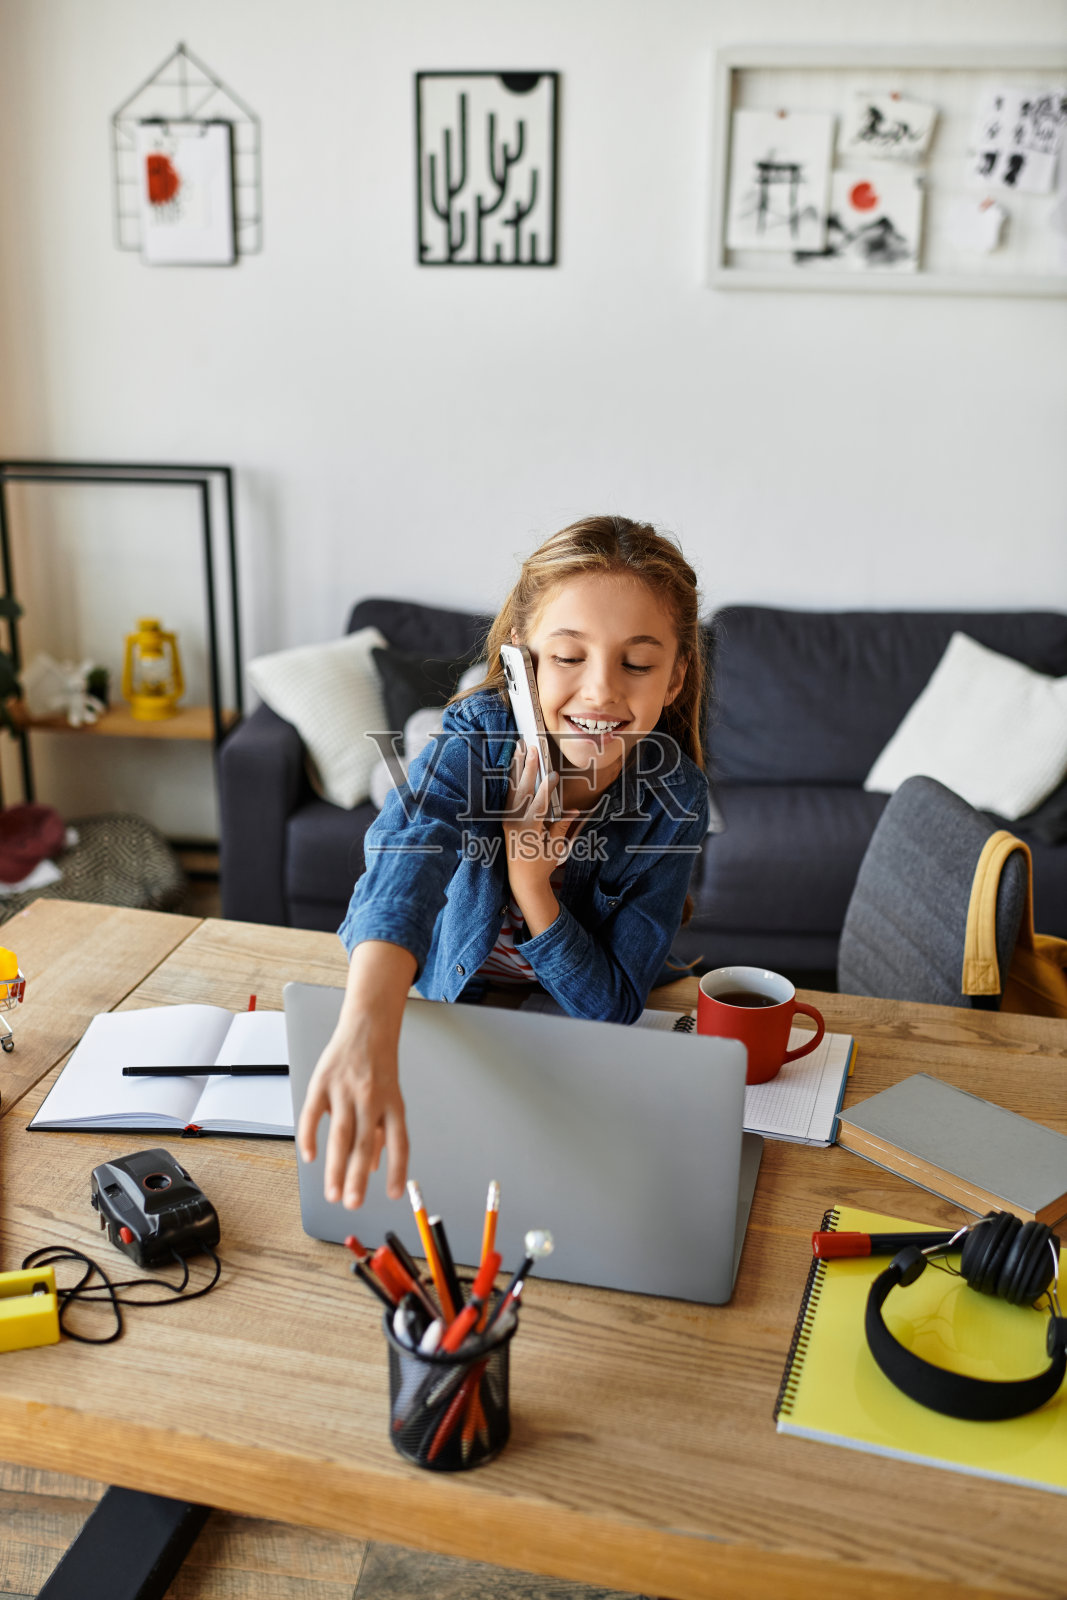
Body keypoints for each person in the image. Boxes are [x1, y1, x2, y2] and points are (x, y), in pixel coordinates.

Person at [297, 515, 710, 1208]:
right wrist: (367, 1023)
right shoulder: (479, 736)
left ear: (674, 677)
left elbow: (611, 1005)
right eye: (569, 656)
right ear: (523, 660)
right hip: (449, 1017)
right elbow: (413, 843)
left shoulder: (676, 797)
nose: (602, 691)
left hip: (565, 1049)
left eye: (637, 664)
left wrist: (529, 881)